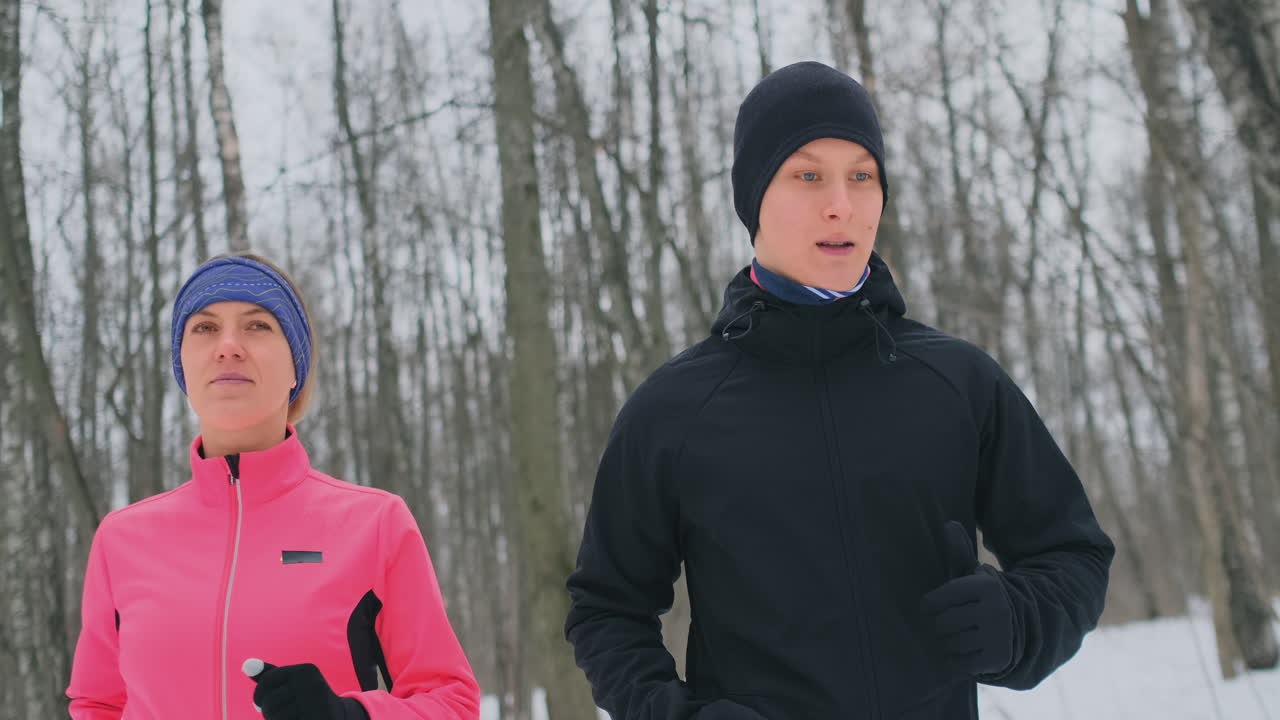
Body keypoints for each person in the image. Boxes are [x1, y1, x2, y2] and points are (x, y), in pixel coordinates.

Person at [564, 61, 1115, 719]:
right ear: (754, 198)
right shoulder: (673, 413)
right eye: (807, 175)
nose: (841, 204)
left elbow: (1073, 554)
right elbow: (606, 609)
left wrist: (1021, 622)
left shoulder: (959, 384)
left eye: (862, 175)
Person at [67, 253, 480, 720]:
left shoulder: (375, 524)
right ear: (182, 366)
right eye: (204, 328)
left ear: (295, 369)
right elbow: (97, 705)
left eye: (257, 326)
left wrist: (350, 716)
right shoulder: (122, 539)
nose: (228, 346)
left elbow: (453, 703)